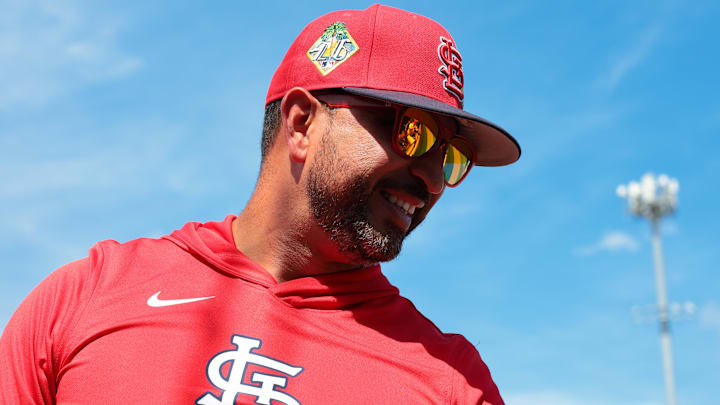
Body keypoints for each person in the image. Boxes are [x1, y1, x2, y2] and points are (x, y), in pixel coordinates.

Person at [0, 4, 520, 404]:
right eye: (413, 132)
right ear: (302, 123)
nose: (432, 178)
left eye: (452, 157)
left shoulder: (452, 382)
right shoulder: (86, 298)